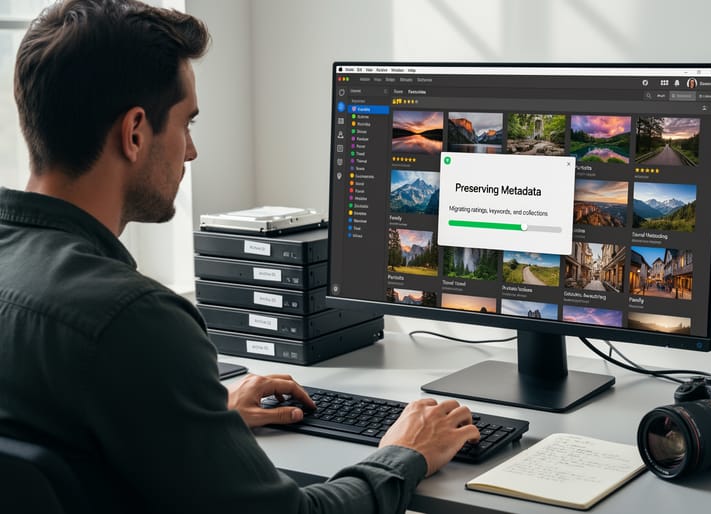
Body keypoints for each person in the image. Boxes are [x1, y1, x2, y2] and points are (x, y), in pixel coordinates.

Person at [0, 1, 480, 513]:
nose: (191, 151)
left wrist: (195, 416)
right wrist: (404, 453)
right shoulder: (133, 320)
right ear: (135, 132)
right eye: (187, 124)